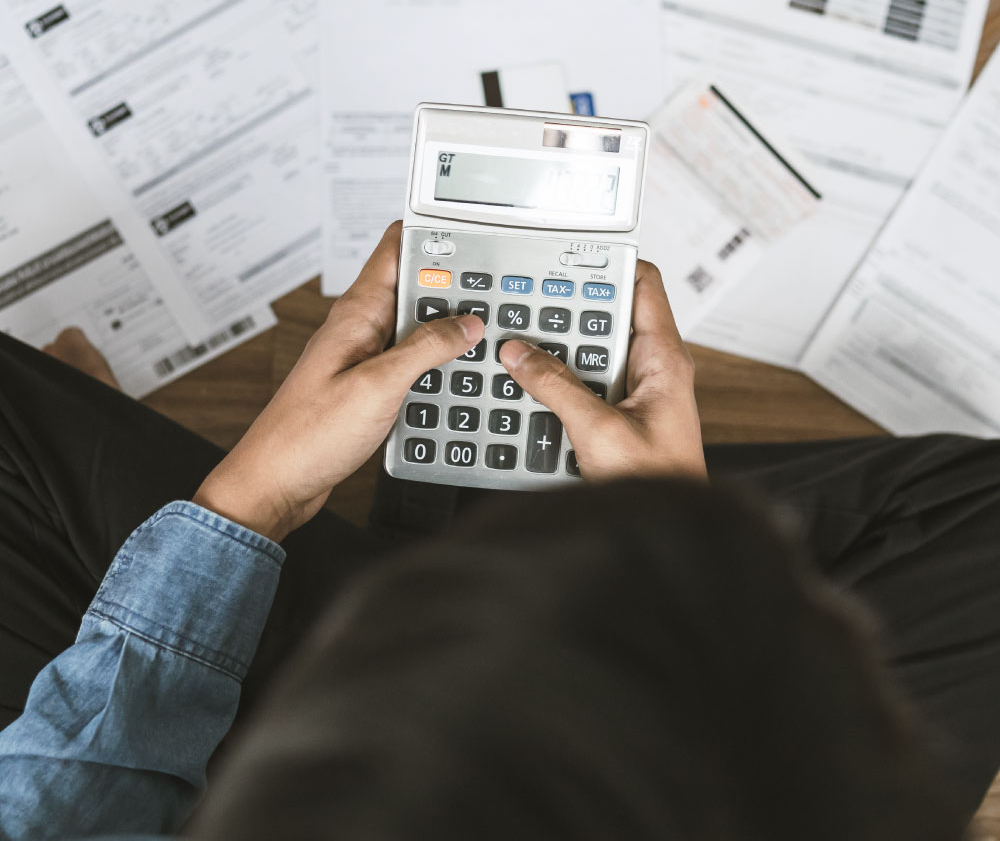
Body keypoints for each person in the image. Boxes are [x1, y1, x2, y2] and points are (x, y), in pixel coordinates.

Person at [0, 221, 997, 839]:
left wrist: (253, 496)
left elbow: (70, 809)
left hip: (225, 758)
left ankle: (473, 528)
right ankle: (509, 522)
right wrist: (665, 551)